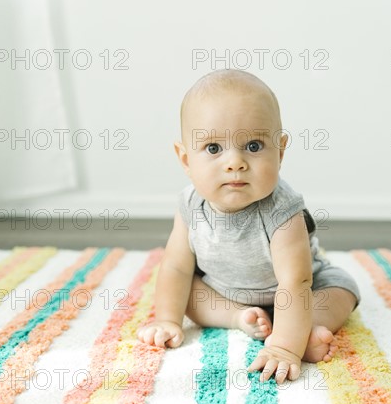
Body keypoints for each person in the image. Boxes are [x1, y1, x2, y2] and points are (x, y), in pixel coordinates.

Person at [137, 69, 360, 384]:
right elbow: (175, 266)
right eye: (214, 149)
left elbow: (296, 282)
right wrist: (167, 319)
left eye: (254, 146)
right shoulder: (190, 205)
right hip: (224, 290)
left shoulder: (282, 211)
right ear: (185, 159)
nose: (235, 163)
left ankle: (304, 329)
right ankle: (238, 318)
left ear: (280, 151)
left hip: (298, 292)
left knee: (340, 289)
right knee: (185, 291)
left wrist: (284, 348)